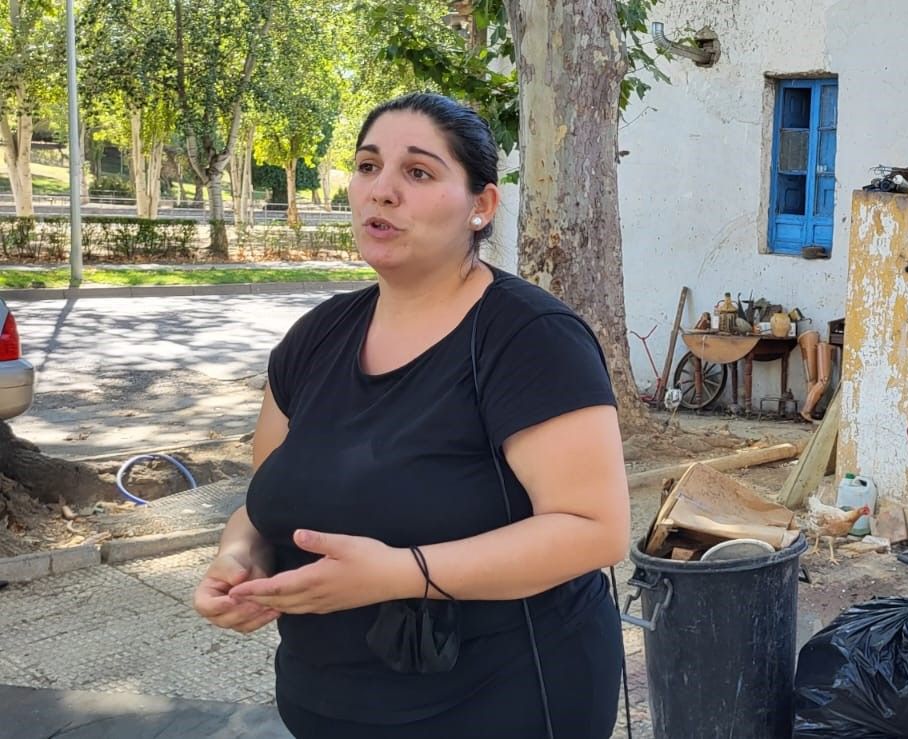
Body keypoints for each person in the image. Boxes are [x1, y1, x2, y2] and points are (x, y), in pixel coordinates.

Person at [191, 91, 630, 738]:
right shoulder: (315, 339)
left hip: (501, 702)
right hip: (329, 704)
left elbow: (595, 529)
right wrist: (240, 555)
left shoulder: (531, 338)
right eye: (368, 167)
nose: (382, 191)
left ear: (481, 206)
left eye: (418, 172)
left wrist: (401, 574)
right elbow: (266, 503)